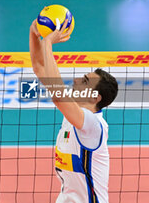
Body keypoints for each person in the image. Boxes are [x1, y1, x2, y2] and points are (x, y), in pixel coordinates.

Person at [29, 18, 118, 202]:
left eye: (85, 81)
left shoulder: (93, 124)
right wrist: (34, 34)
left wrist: (47, 43)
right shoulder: (73, 114)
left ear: (95, 97)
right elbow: (39, 67)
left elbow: (58, 95)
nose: (77, 80)